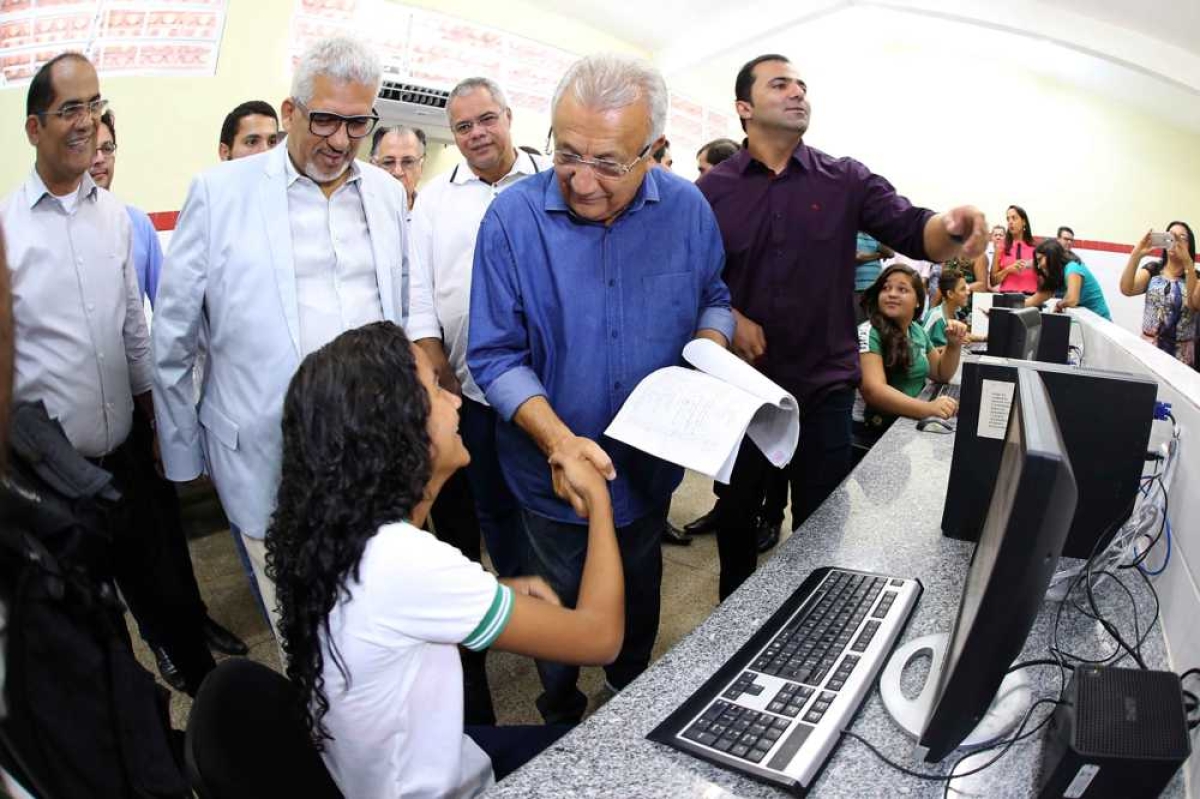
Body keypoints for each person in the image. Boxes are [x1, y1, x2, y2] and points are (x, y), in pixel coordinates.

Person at [467, 54, 733, 724]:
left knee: (640, 583)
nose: (583, 181)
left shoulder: (689, 211)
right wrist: (558, 440)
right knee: (558, 597)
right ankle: (558, 698)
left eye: (609, 162)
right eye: (568, 154)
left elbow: (715, 296)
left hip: (647, 468)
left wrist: (715, 347)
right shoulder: (511, 222)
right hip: (547, 474)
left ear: (655, 150)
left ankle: (628, 689)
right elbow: (495, 355)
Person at [266, 322, 623, 798]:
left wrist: (498, 595)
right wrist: (599, 502)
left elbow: (393, 631)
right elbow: (601, 638)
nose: (456, 401)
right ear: (397, 427)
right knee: (620, 759)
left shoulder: (342, 537)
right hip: (441, 786)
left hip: (421, 763)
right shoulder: (402, 560)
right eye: (436, 389)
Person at [696, 53, 986, 599]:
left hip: (823, 386)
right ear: (744, 107)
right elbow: (690, 274)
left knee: (822, 521)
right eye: (780, 84)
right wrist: (730, 318)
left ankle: (813, 624)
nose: (797, 92)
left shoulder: (844, 179)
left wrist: (951, 228)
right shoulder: (712, 192)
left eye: (802, 84)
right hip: (743, 388)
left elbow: (913, 226)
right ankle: (730, 622)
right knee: (736, 517)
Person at [153, 36, 410, 641]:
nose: (341, 141)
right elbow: (173, 334)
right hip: (265, 453)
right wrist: (185, 456)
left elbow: (398, 304)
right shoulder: (220, 193)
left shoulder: (386, 193)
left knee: (372, 622)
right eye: (325, 119)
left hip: (371, 454)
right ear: (290, 111)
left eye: (357, 123)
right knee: (301, 630)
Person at [2, 52, 218, 694]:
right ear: (34, 127)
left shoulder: (115, 217)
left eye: (93, 105)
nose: (86, 123)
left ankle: (211, 720)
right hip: (53, 475)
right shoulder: (8, 231)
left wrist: (158, 421)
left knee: (172, 604)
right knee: (95, 626)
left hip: (126, 461)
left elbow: (133, 328)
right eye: (70, 109)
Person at [407, 76, 549, 723]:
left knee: (546, 503)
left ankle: (557, 609)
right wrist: (433, 358)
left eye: (486, 119)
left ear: (509, 115)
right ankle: (525, 609)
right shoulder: (435, 201)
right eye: (463, 127)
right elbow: (417, 292)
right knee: (493, 509)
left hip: (544, 389)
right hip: (472, 393)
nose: (477, 134)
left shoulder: (548, 183)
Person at [88, 109, 249, 678]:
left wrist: (168, 409)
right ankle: (158, 639)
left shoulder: (131, 224)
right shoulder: (36, 229)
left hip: (140, 403)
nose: (100, 158)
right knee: (116, 544)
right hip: (83, 418)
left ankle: (192, 618)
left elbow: (166, 314)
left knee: (162, 530)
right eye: (92, 146)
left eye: (109, 147)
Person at [858, 264, 966, 426]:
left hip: (908, 419)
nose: (892, 294)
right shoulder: (869, 331)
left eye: (902, 290)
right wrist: (927, 408)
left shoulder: (916, 330)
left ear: (918, 301)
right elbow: (873, 390)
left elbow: (940, 373)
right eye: (886, 288)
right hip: (878, 430)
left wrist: (953, 345)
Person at [1119, 222, 1199, 366]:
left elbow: (1193, 305)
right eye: (1170, 236)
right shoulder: (1154, 269)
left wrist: (1188, 263)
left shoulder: (1196, 277)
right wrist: (1136, 255)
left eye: (1181, 237)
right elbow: (1127, 289)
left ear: (1190, 245)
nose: (1175, 241)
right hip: (1149, 350)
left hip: (1181, 357)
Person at [1025, 238, 1112, 320]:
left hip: (1101, 323)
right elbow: (1032, 301)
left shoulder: (1073, 268)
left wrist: (1059, 305)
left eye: (1040, 260)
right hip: (1085, 322)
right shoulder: (1057, 276)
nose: (1038, 266)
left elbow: (1072, 300)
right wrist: (1013, 307)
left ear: (1052, 256)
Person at [369, 124, 425, 216]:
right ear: (373, 166)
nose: (398, 172)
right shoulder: (357, 214)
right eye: (388, 162)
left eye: (408, 162)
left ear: (421, 167)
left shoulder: (433, 215)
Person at [924, 267, 985, 347]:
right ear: (950, 294)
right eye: (962, 289)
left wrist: (984, 338)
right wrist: (955, 344)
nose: (968, 292)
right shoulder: (935, 316)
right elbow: (921, 348)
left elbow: (964, 335)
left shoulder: (956, 314)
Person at [991, 204, 1038, 293]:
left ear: (1024, 221)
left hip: (1031, 299)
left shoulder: (1036, 248)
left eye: (1014, 218)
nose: (1010, 222)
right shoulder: (1000, 247)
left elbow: (1045, 277)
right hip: (1007, 298)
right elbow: (993, 281)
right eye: (1008, 219)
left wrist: (1036, 265)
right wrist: (1008, 270)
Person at [855, 231, 895, 323]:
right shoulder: (850, 233)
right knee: (860, 325)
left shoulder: (873, 235)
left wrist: (880, 234)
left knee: (876, 324)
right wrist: (878, 255)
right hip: (858, 288)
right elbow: (858, 256)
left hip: (875, 288)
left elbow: (890, 253)